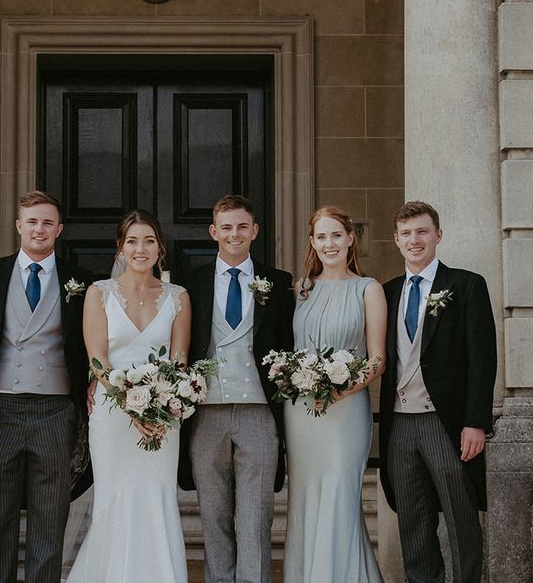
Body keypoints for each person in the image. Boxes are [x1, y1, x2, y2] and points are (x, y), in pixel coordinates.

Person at [0, 191, 93, 583]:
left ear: (59, 229)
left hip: (55, 410)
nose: (39, 229)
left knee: (50, 519)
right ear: (19, 225)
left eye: (47, 222)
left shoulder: (82, 280)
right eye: (32, 221)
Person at [66, 209, 191, 583]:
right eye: (133, 241)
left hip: (162, 417)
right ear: (121, 247)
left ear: (160, 249)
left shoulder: (178, 296)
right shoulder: (99, 293)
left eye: (149, 241)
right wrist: (132, 407)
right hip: (112, 413)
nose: (141, 249)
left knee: (157, 497)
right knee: (114, 498)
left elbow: (179, 359)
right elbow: (98, 359)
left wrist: (159, 407)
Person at [178, 194, 294, 583]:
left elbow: (286, 342)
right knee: (212, 511)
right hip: (205, 411)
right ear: (213, 232)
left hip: (259, 411)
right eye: (226, 227)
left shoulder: (278, 282)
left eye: (242, 226)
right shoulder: (189, 283)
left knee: (256, 514)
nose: (234, 234)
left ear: (255, 231)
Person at [379, 201, 497, 583]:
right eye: (407, 233)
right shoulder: (387, 292)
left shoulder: (465, 285)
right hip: (399, 424)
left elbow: (483, 359)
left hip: (444, 423)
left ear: (438, 235)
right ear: (396, 240)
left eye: (422, 232)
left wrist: (475, 423)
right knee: (413, 523)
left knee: (461, 519)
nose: (415, 240)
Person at [284, 206, 386, 582]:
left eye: (336, 235)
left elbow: (377, 360)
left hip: (346, 412)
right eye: (321, 237)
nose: (329, 243)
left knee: (340, 495)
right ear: (312, 242)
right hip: (301, 413)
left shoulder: (368, 288)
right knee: (306, 496)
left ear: (350, 238)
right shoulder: (299, 289)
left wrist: (340, 390)